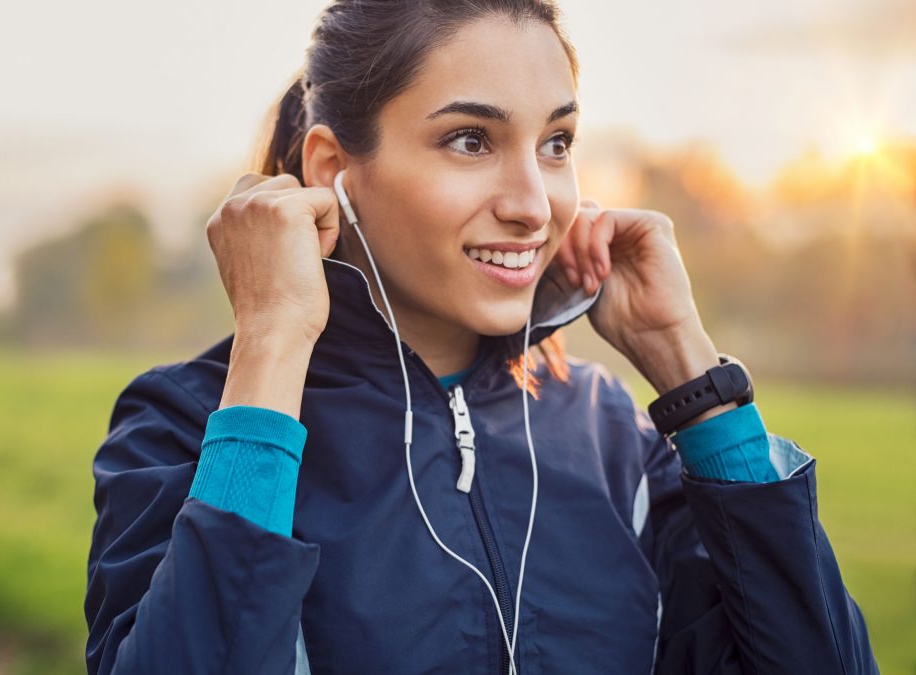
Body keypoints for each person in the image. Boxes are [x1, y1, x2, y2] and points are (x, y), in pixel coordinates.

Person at [85, 1, 879, 673]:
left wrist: (691, 372)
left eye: (556, 143)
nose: (534, 203)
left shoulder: (613, 437)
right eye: (471, 140)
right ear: (332, 169)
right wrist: (271, 345)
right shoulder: (184, 425)